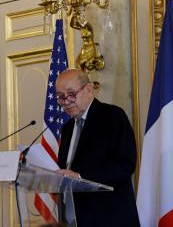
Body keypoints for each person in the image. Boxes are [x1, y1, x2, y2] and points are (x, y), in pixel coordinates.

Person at [55, 69, 140, 227]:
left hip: (109, 218)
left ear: (88, 90)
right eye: (60, 97)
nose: (66, 101)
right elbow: (65, 170)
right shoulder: (67, 128)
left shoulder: (113, 116)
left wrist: (80, 176)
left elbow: (125, 165)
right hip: (73, 219)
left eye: (71, 94)